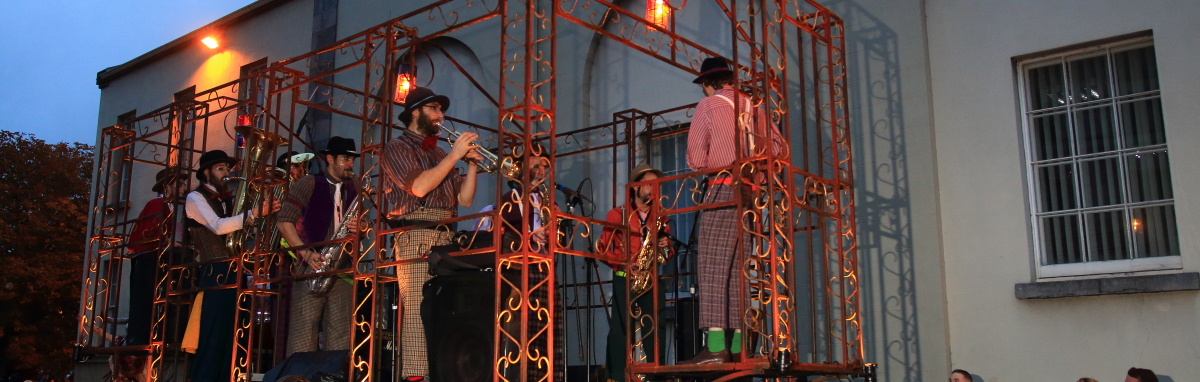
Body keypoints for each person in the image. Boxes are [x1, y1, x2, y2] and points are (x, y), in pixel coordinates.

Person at [682, 56, 786, 364]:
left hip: (724, 187)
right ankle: (741, 346)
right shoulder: (754, 107)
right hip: (752, 194)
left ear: (707, 84)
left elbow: (696, 159)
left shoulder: (710, 105)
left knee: (713, 265)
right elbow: (779, 150)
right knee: (740, 270)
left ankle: (715, 346)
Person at [380, 86, 481, 378]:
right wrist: (453, 156)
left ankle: (443, 372)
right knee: (416, 310)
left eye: (441, 109)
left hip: (444, 233)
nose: (441, 115)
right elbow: (420, 187)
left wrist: (471, 166)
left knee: (445, 309)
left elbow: (464, 200)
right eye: (434, 108)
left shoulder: (438, 151)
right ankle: (415, 376)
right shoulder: (397, 146)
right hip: (415, 233)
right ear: (415, 112)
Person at [183, 149, 279, 382]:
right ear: (206, 173)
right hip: (213, 271)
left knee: (233, 340)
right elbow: (218, 226)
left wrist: (261, 216)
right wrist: (254, 212)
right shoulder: (195, 198)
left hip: (235, 272)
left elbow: (243, 231)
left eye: (228, 168)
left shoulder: (230, 200)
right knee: (212, 339)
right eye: (220, 169)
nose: (227, 173)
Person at [276, 137, 361, 356]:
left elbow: (366, 224)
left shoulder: (356, 185)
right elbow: (284, 221)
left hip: (343, 266)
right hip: (311, 266)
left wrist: (362, 225)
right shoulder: (309, 182)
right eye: (345, 159)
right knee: (303, 334)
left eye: (351, 159)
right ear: (329, 159)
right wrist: (304, 252)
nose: (350, 164)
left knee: (341, 335)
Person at [598, 164, 672, 382]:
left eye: (656, 185)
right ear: (635, 188)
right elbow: (604, 250)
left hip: (651, 279)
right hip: (625, 278)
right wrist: (624, 266)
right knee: (621, 330)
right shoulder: (617, 214)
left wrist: (664, 245)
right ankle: (618, 376)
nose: (653, 189)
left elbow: (667, 254)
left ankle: (656, 375)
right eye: (649, 184)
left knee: (656, 328)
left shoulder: (660, 216)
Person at [124, 167, 190, 346]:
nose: (184, 189)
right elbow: (152, 233)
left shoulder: (170, 206)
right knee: (146, 301)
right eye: (181, 184)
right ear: (167, 186)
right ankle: (142, 339)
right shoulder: (157, 204)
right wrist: (169, 241)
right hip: (148, 259)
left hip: (155, 258)